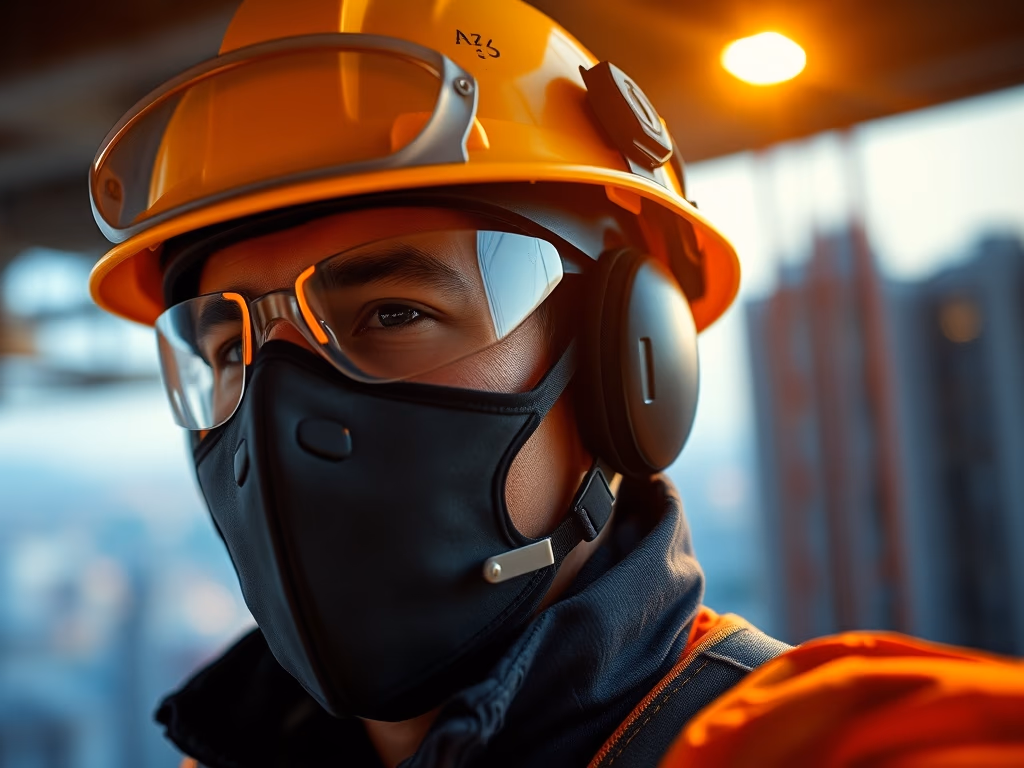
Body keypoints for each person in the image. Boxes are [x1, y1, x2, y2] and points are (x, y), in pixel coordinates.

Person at [85, 0, 1024, 765]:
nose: (283, 414)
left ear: (629, 364)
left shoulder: (813, 743)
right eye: (226, 355)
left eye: (393, 315)